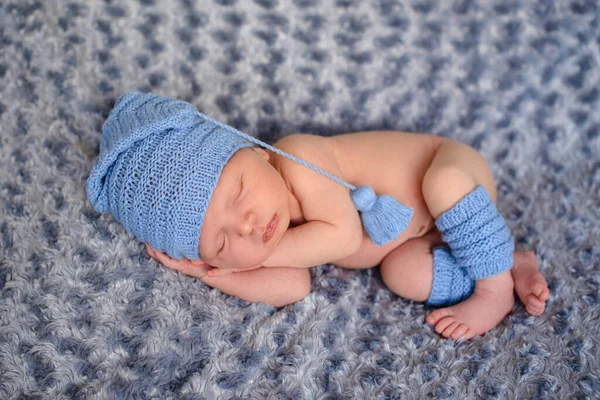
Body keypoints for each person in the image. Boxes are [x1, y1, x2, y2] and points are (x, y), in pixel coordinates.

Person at [88, 92, 550, 340]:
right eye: (222, 240)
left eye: (238, 194)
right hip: (424, 239)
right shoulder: (273, 241)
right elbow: (295, 286)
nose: (246, 225)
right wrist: (214, 273)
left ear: (255, 154)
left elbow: (345, 236)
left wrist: (244, 257)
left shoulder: (296, 156)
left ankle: (492, 292)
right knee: (403, 274)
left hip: (454, 176)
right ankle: (506, 264)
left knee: (442, 184)